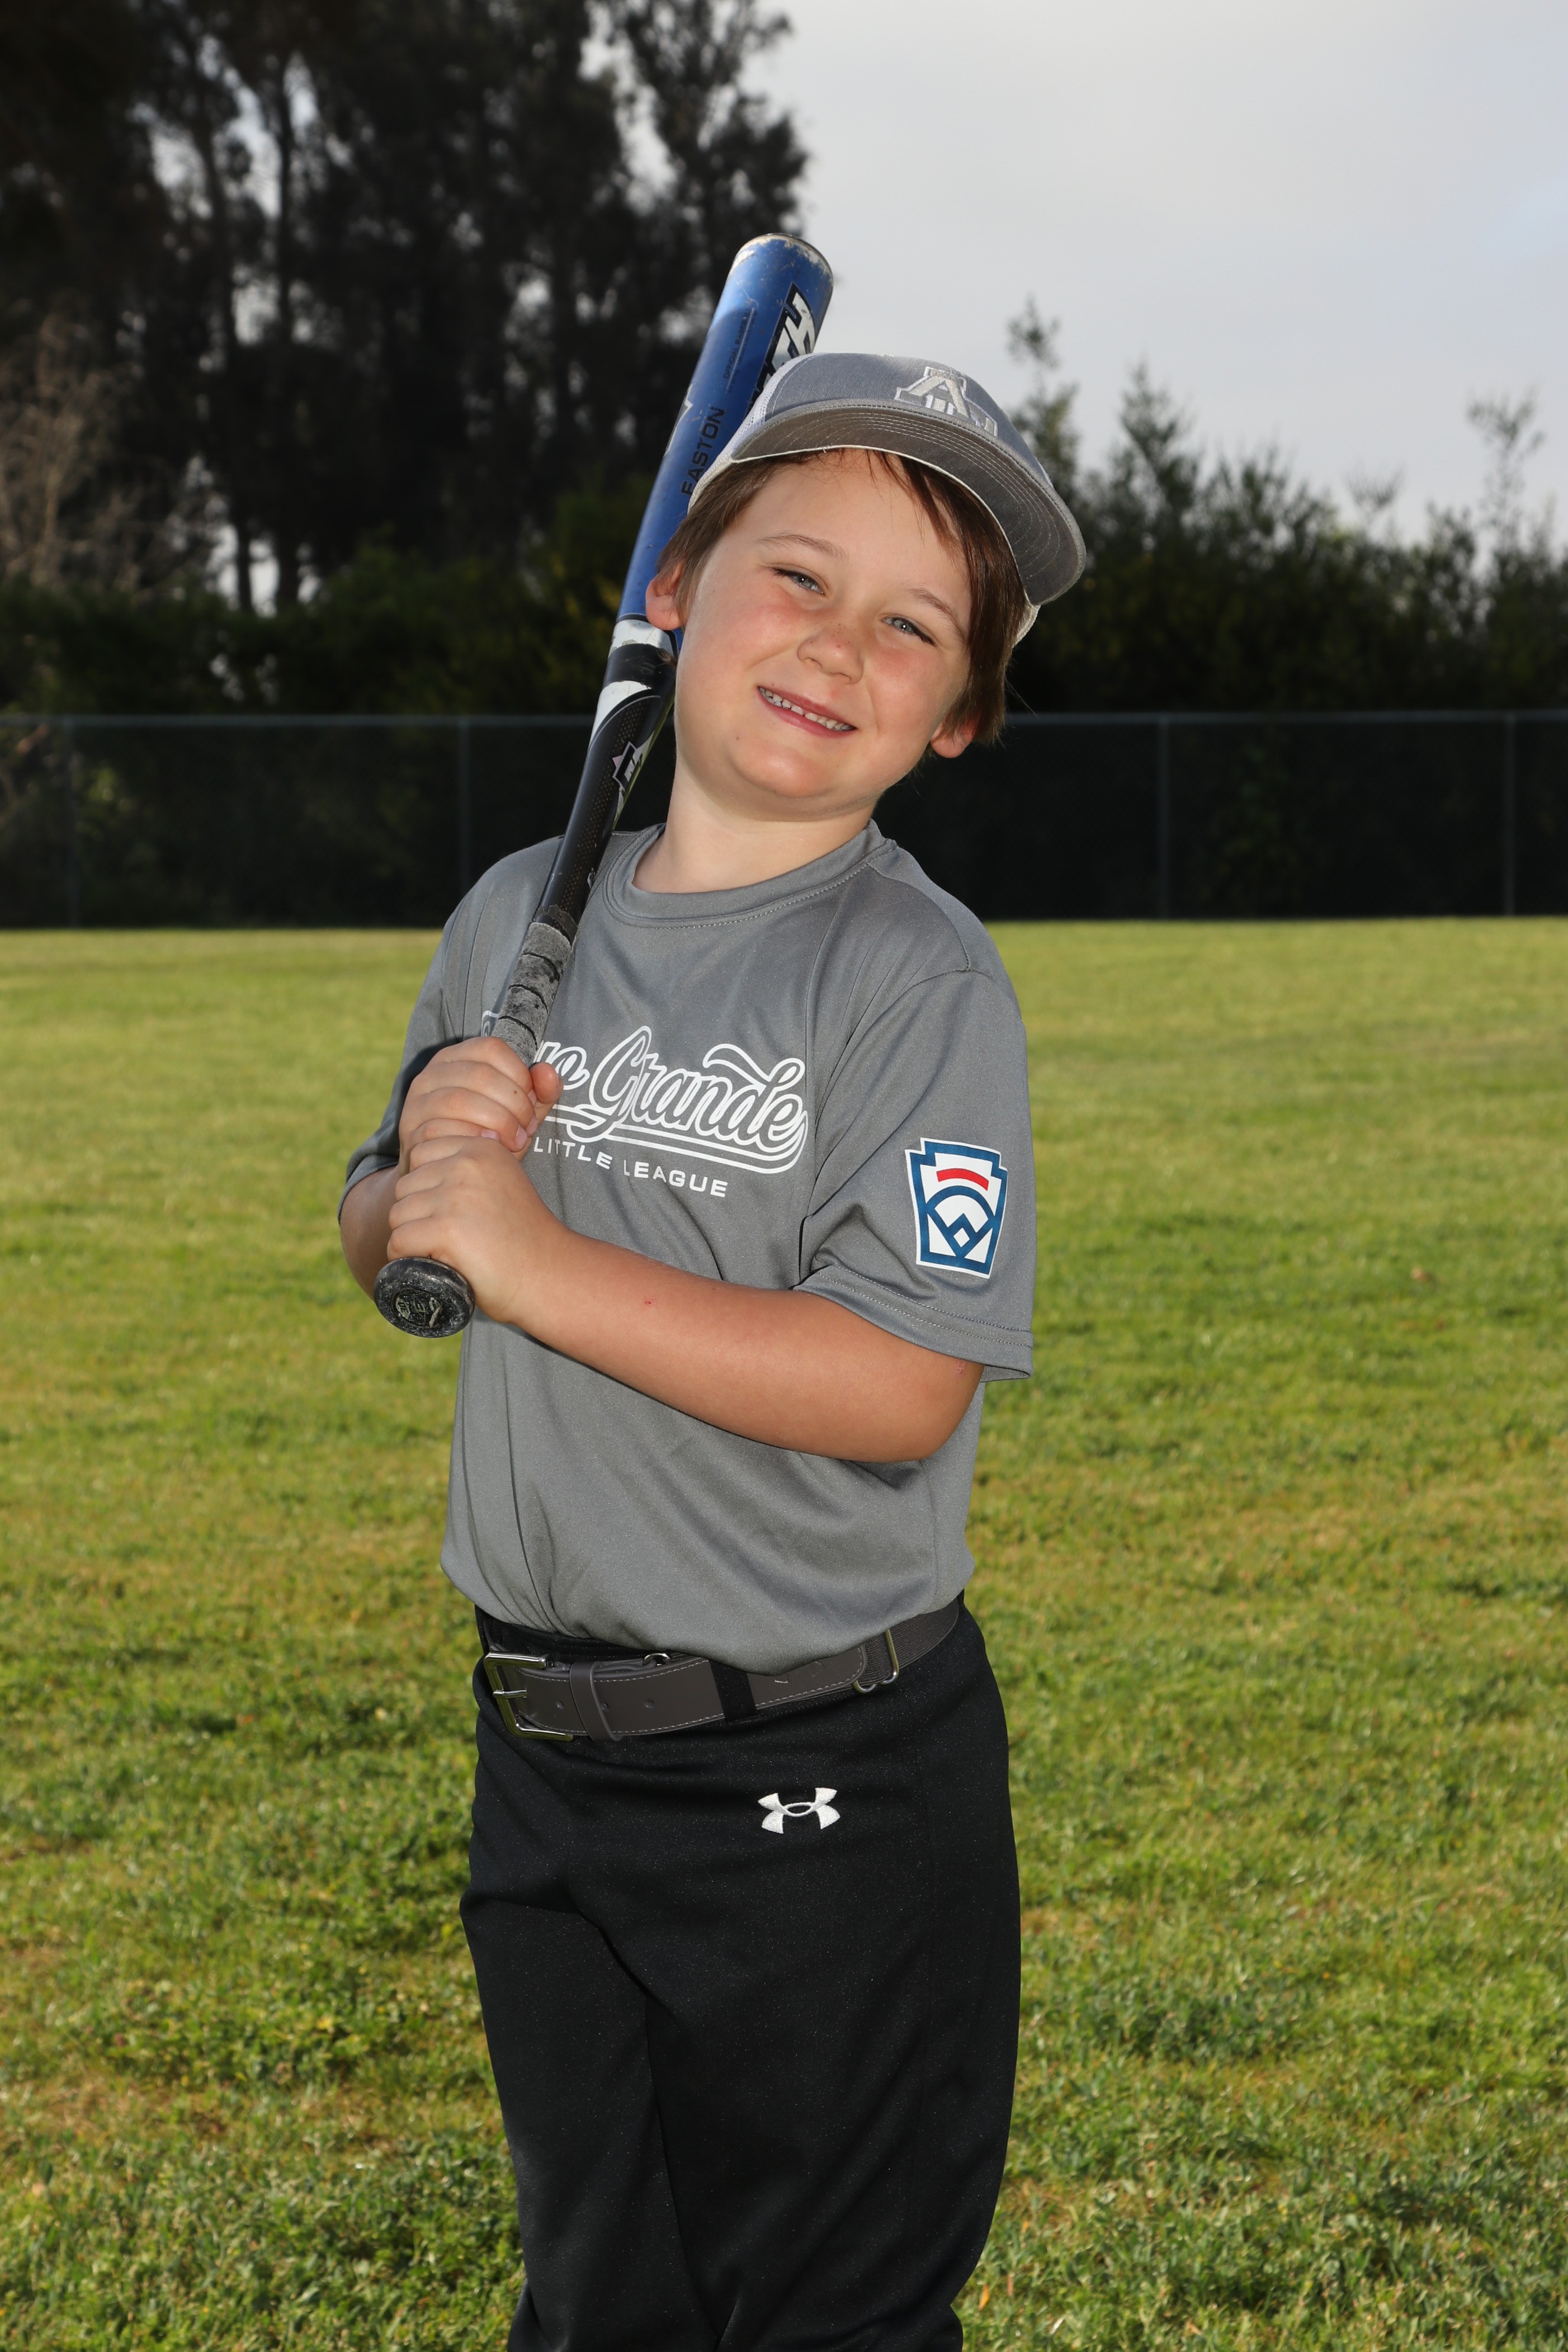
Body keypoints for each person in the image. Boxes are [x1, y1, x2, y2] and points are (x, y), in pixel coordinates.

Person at [340, 351, 1084, 2352]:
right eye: (798, 576)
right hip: (545, 1758)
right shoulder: (518, 913)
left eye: (913, 627)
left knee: (822, 2316)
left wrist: (529, 1255)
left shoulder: (912, 982)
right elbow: (390, 1239)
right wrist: (417, 1183)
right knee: (602, 2301)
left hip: (814, 1775)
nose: (840, 645)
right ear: (675, 586)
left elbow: (899, 1384)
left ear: (956, 717)